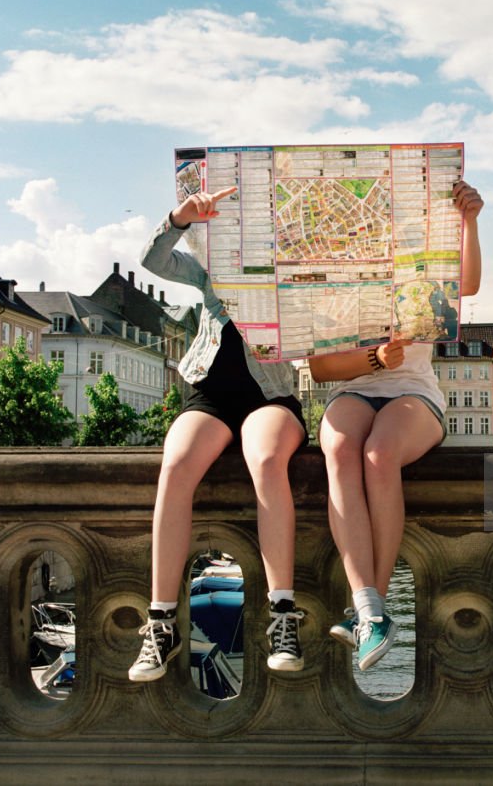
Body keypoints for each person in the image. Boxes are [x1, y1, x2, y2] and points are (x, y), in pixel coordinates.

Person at [129, 186, 308, 682]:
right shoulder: (210, 270)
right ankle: (161, 622)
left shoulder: (292, 274)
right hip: (208, 393)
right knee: (176, 464)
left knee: (266, 460)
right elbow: (152, 260)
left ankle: (282, 615)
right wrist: (178, 218)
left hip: (269, 396)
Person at [310, 180, 484, 670]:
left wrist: (469, 220)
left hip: (414, 394)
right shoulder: (334, 281)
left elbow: (466, 283)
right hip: (355, 389)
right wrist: (374, 358)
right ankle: (371, 613)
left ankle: (369, 609)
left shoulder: (422, 271)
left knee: (378, 455)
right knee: (341, 449)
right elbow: (322, 370)